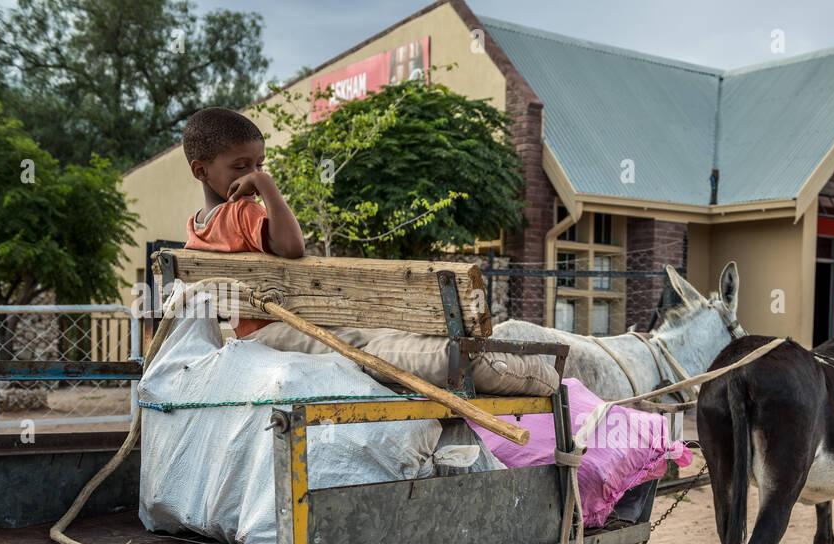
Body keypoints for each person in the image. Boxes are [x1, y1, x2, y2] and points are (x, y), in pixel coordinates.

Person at [180, 108, 556, 395]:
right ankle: (467, 358)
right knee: (364, 343)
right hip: (277, 331)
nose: (251, 173)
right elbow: (293, 248)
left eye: (259, 164)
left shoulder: (195, 229)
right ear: (201, 170)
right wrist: (266, 184)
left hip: (257, 331)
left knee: (369, 335)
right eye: (241, 166)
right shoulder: (242, 211)